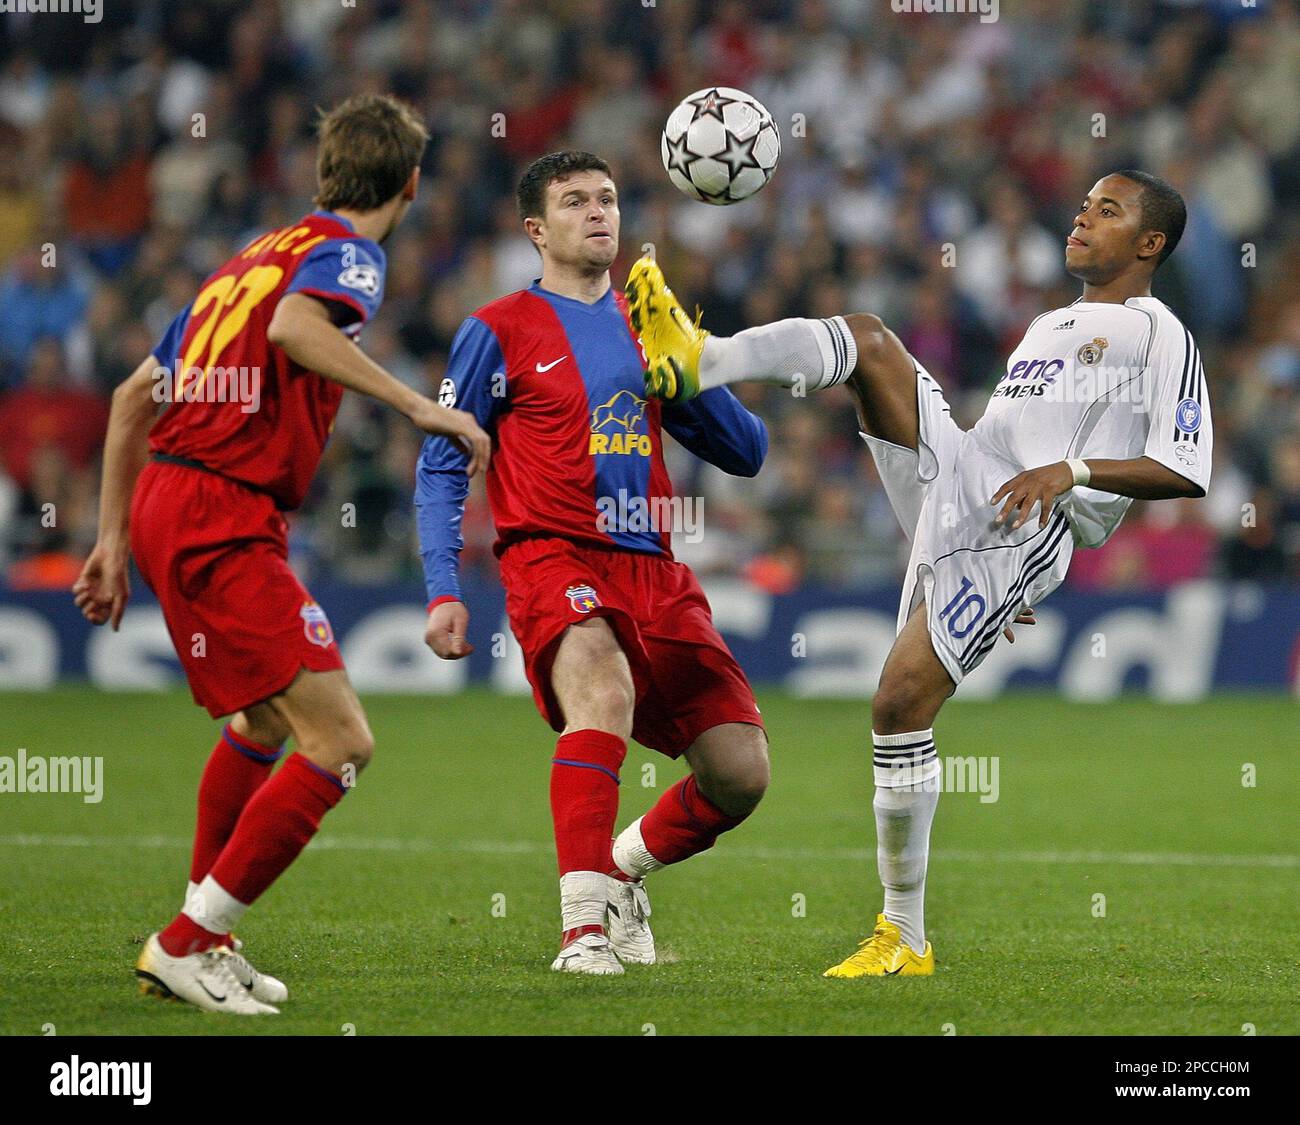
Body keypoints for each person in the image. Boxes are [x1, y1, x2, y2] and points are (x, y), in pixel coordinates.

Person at [629, 169, 1211, 977]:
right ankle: (699, 357)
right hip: (967, 476)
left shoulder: (1159, 333)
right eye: (1083, 204)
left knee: (898, 701)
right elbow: (1011, 435)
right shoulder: (1053, 322)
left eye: (1107, 212)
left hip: (1021, 519)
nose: (1082, 217)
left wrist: (1063, 483)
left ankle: (903, 934)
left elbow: (1184, 468)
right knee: (868, 339)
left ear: (1150, 243)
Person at [73, 94, 490, 1014]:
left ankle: (207, 932)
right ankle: (184, 942)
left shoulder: (250, 260)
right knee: (341, 739)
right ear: (411, 183)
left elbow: (128, 398)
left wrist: (110, 538)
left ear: (324, 172)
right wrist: (421, 405)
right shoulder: (350, 255)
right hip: (219, 507)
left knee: (266, 725)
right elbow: (296, 331)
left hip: (174, 501)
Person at [416, 151, 770, 975]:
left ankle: (623, 870)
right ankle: (582, 930)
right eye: (574, 202)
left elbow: (746, 452)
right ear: (535, 229)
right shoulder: (496, 329)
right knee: (601, 693)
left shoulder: (650, 323)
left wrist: (691, 366)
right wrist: (442, 588)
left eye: (607, 198)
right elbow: (441, 463)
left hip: (653, 564)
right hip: (551, 553)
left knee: (740, 775)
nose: (597, 212)